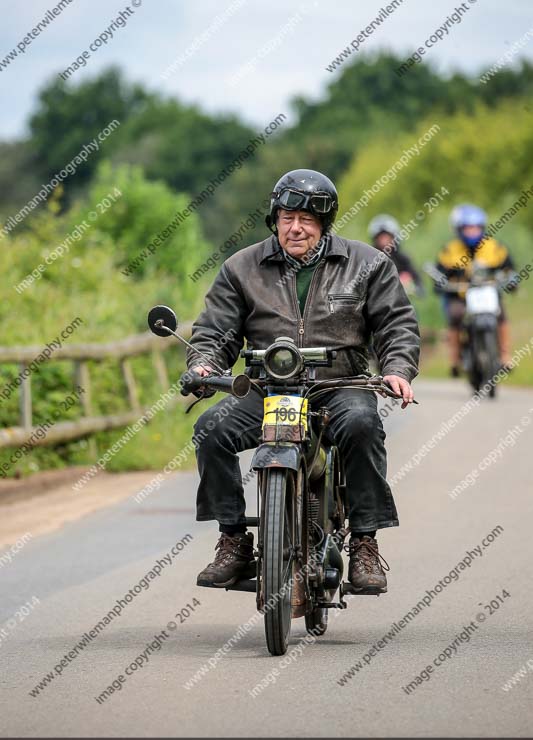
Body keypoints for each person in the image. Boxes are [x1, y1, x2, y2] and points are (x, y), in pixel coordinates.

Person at [183, 169, 420, 601]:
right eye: (288, 216)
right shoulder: (241, 268)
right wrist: (203, 365)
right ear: (274, 217)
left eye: (308, 219)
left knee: (364, 425)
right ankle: (234, 539)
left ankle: (365, 542)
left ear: (325, 224)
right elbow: (216, 331)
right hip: (266, 389)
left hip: (341, 384)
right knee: (210, 431)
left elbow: (396, 324)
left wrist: (397, 369)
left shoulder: (368, 264)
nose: (296, 227)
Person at [436, 204, 517, 376]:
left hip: (488, 293)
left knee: (501, 315)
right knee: (456, 316)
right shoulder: (450, 250)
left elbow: (509, 268)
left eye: (476, 227)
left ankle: (504, 356)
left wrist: (512, 280)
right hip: (460, 295)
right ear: (459, 229)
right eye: (468, 228)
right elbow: (440, 271)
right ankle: (455, 359)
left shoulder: (494, 247)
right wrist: (439, 282)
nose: (472, 231)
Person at [368, 214, 424, 296]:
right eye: (381, 238)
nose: (384, 241)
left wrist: (413, 287)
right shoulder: (368, 258)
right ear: (375, 239)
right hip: (375, 303)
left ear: (393, 237)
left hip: (399, 302)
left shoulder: (403, 258)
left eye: (387, 237)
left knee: (412, 309)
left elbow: (418, 281)